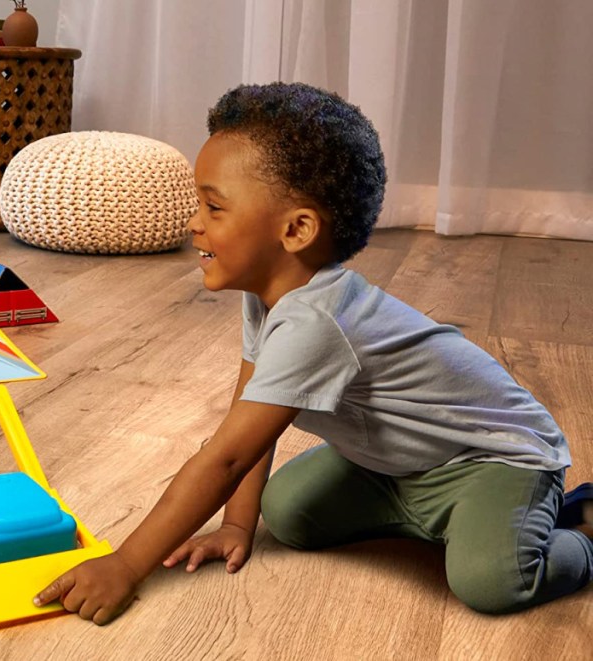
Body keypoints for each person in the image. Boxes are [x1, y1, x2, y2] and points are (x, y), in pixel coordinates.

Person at [34, 82, 593, 625]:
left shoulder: (319, 322)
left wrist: (127, 564)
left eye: (214, 207)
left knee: (489, 582)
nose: (194, 222)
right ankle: (444, 520)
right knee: (289, 513)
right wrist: (236, 525)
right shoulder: (269, 298)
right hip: (395, 463)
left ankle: (576, 527)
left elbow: (224, 459)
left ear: (296, 230)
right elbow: (246, 428)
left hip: (492, 459)